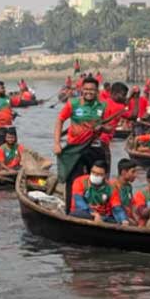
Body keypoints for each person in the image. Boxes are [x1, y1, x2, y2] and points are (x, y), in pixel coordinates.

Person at [52, 76, 107, 210]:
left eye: (92, 90)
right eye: (86, 89)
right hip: (75, 148)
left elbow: (109, 128)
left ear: (97, 91)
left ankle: (97, 209)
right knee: (74, 180)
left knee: (97, 180)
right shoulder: (73, 103)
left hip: (94, 148)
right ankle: (70, 211)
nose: (89, 92)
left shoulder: (103, 105)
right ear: (82, 89)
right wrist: (57, 143)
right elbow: (60, 120)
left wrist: (103, 128)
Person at [111, 159, 140, 225]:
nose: (135, 175)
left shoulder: (128, 186)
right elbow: (115, 208)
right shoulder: (113, 185)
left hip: (127, 217)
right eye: (133, 172)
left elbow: (132, 205)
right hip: (117, 217)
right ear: (123, 172)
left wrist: (137, 219)